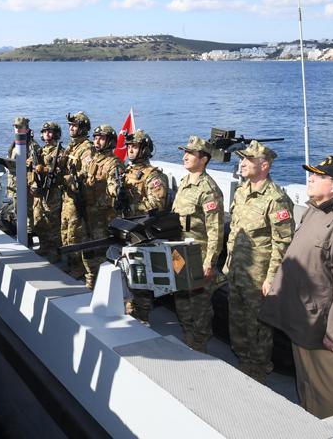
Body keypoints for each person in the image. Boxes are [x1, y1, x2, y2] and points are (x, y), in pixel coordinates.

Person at [260, 156, 333, 418]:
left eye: (318, 176)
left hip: (319, 323)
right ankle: (309, 422)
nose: (310, 179)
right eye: (311, 174)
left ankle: (326, 428)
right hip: (301, 315)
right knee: (305, 380)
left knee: (322, 388)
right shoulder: (314, 211)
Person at [224, 140, 294, 382]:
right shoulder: (242, 191)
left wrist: (271, 278)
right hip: (237, 270)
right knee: (237, 321)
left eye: (248, 159)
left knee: (258, 327)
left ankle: (259, 370)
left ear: (264, 165)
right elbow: (235, 231)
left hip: (258, 276)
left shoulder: (276, 199)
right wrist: (228, 265)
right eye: (241, 159)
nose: (242, 163)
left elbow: (282, 243)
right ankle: (243, 362)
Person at [169, 136, 225, 352]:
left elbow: (215, 230)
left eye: (190, 153)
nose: (185, 156)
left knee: (200, 304)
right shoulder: (185, 182)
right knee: (181, 299)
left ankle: (200, 344)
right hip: (179, 253)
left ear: (203, 159)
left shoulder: (209, 189)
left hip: (198, 255)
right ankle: (187, 337)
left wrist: (209, 263)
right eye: (185, 152)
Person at [106, 129, 169, 322]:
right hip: (126, 229)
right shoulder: (126, 172)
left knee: (140, 278)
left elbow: (157, 205)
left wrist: (132, 206)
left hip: (142, 233)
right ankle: (129, 308)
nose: (130, 150)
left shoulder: (154, 176)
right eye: (129, 146)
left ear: (145, 149)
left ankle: (142, 316)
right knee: (125, 272)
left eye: (134, 146)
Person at [80, 124, 124, 289]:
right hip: (88, 212)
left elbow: (114, 190)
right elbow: (84, 176)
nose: (97, 141)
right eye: (96, 138)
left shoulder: (114, 164)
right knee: (87, 249)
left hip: (103, 216)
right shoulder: (93, 160)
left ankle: (103, 286)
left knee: (101, 251)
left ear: (110, 141)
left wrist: (110, 191)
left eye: (102, 138)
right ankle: (91, 278)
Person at [59, 111, 95, 280]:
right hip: (67, 197)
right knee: (65, 232)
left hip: (77, 197)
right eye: (70, 126)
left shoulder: (86, 149)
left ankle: (79, 268)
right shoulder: (72, 147)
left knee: (75, 234)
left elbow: (87, 174)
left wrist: (71, 178)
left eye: (75, 126)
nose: (71, 129)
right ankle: (71, 263)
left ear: (82, 128)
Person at [30, 121, 63, 263]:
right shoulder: (40, 151)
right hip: (39, 192)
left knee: (52, 223)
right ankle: (43, 246)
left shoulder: (59, 152)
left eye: (49, 132)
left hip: (52, 192)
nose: (46, 134)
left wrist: (44, 169)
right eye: (44, 132)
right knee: (39, 220)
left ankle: (55, 251)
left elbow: (60, 171)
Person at [5, 116, 41, 235]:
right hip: (15, 184)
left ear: (27, 129)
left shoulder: (32, 145)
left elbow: (35, 165)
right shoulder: (15, 144)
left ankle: (28, 235)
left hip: (26, 185)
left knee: (27, 213)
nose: (18, 129)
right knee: (17, 210)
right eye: (16, 127)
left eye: (20, 127)